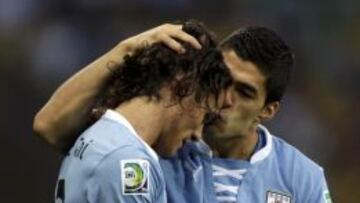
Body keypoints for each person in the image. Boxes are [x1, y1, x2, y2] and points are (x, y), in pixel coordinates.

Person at [33, 23, 332, 203]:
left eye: (244, 92)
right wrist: (128, 48)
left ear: (268, 110)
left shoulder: (303, 178)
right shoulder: (156, 143)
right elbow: (50, 125)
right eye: (221, 79)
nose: (225, 99)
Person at [38, 20, 233, 203]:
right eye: (205, 115)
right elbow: (47, 124)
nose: (198, 135)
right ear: (184, 84)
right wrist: (128, 48)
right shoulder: (128, 161)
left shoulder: (100, 136)